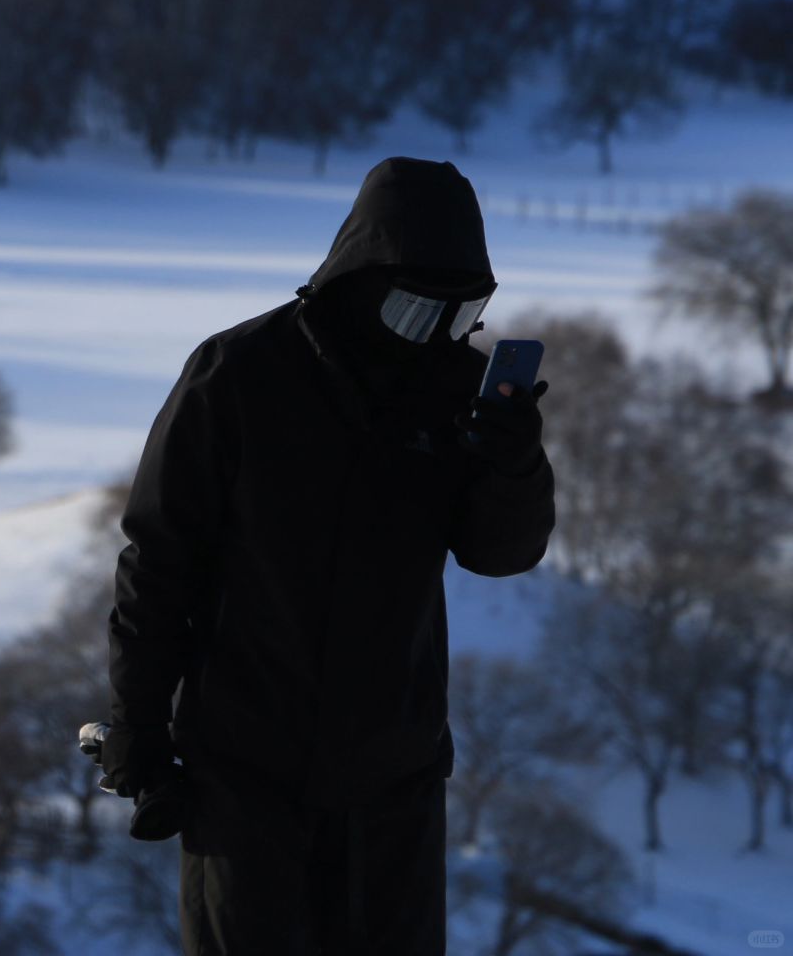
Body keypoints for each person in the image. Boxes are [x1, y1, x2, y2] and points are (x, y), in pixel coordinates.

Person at [100, 156, 556, 955]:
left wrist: (513, 466)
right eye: (417, 311)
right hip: (243, 777)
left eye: (463, 314)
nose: (439, 334)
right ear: (360, 278)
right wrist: (138, 718)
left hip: (395, 781)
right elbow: (160, 560)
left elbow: (499, 555)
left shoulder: (459, 391)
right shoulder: (237, 376)